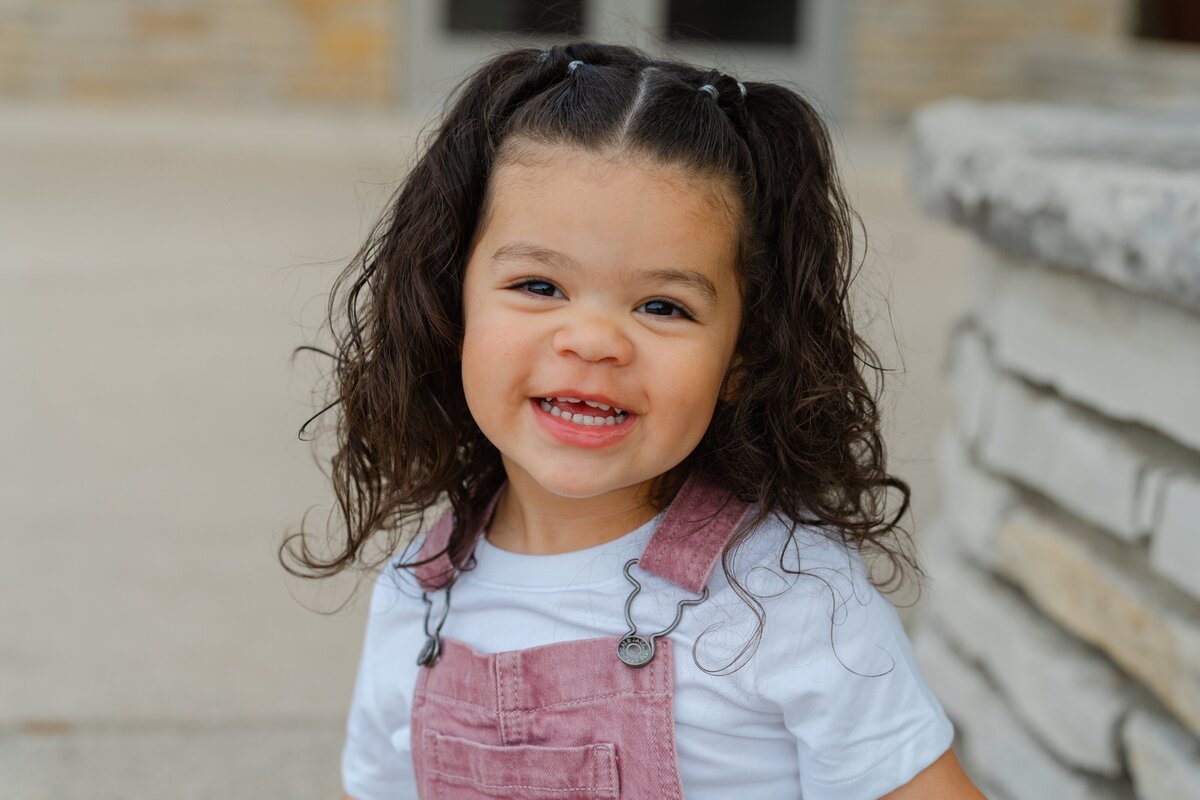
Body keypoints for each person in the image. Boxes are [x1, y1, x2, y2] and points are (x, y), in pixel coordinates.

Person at [283, 40, 985, 800]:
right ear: (450, 307)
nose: (592, 340)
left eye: (662, 306)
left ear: (741, 358)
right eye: (539, 284)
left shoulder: (790, 598)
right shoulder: (418, 594)